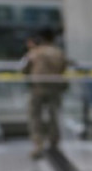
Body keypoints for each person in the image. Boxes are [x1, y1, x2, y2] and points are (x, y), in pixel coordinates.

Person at [21, 28, 67, 159]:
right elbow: (63, 69)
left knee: (35, 116)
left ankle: (38, 144)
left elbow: (24, 69)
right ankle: (54, 141)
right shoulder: (59, 52)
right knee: (54, 115)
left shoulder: (35, 52)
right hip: (55, 88)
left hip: (38, 88)